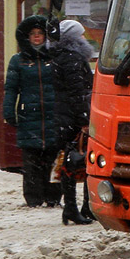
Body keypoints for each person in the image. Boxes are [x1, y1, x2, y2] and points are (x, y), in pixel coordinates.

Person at [2, 15, 61, 207]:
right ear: (26, 37)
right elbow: (11, 88)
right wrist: (8, 111)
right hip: (29, 116)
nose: (37, 37)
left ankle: (53, 198)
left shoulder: (55, 57)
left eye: (40, 34)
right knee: (31, 161)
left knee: (53, 160)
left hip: (54, 115)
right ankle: (34, 199)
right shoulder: (18, 61)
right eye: (33, 34)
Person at [51, 19, 96, 225]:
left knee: (75, 160)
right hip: (72, 116)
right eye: (80, 34)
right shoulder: (72, 58)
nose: (83, 37)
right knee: (78, 160)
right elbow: (77, 92)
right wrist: (84, 120)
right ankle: (76, 208)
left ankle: (79, 207)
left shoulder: (63, 56)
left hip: (65, 115)